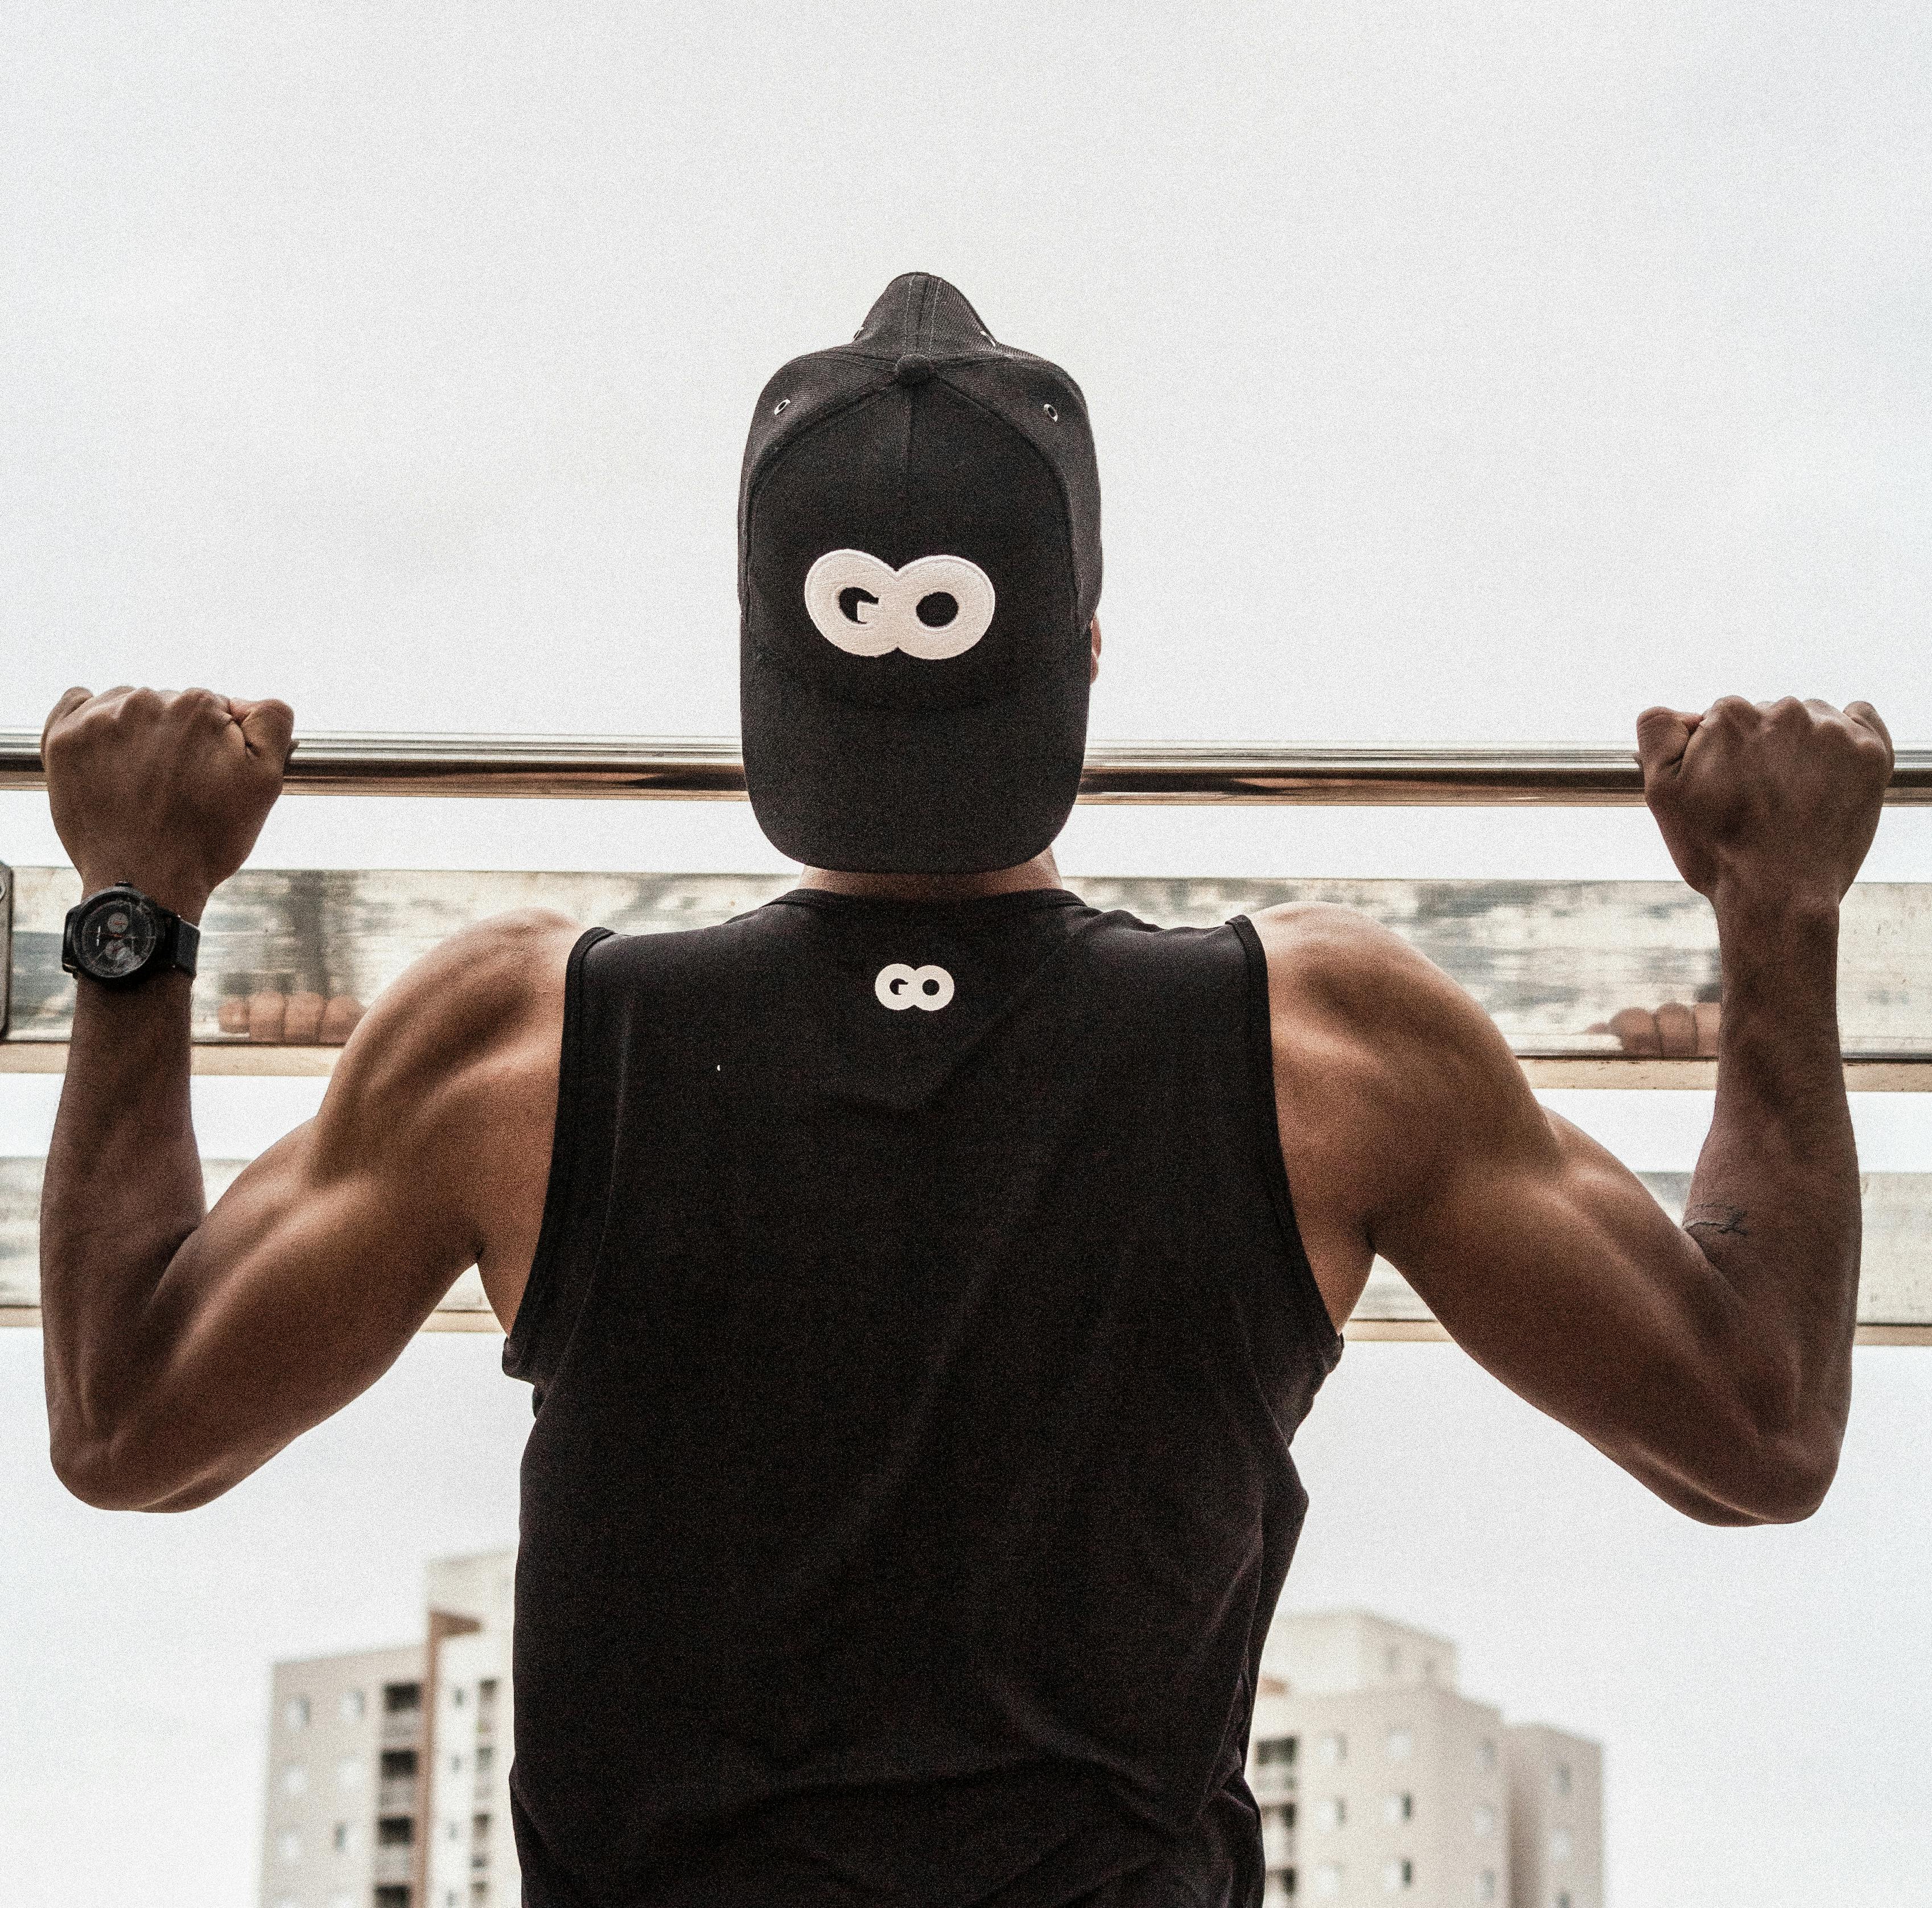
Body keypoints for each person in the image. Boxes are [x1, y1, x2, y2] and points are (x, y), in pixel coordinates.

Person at [38, 274, 1892, 1907]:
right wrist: (1775, 914)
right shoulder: (1328, 1045)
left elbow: (128, 1425)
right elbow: (1756, 1431)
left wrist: (140, 901)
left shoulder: (513, 1042)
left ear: (760, 655)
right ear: (1081, 649)